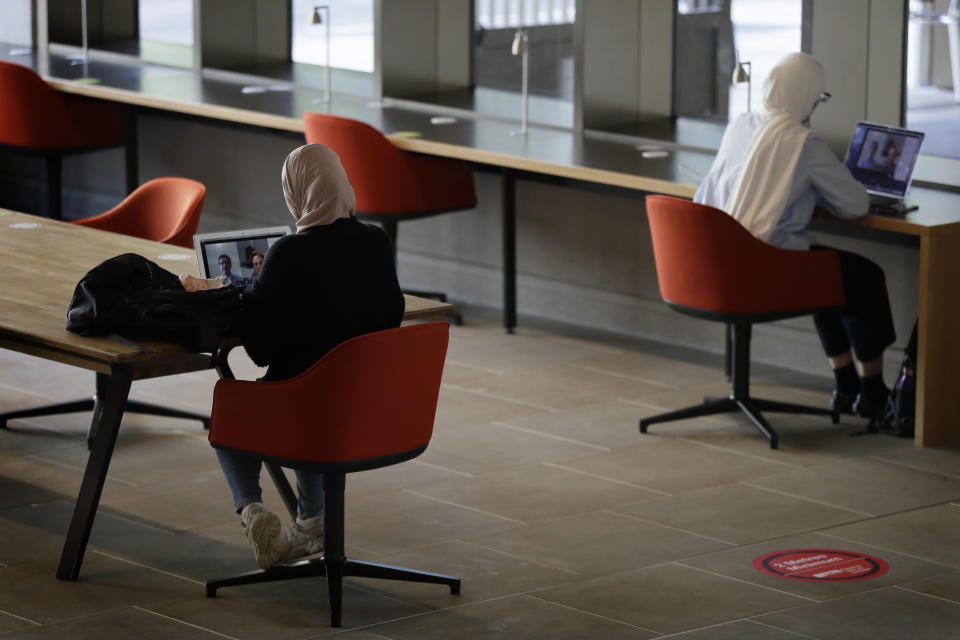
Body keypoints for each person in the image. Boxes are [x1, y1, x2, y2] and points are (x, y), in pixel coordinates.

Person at [216, 144, 404, 569]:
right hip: (372, 408)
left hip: (303, 411)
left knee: (230, 403)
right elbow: (391, 319)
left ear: (297, 190)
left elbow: (261, 353)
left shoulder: (288, 253)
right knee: (316, 383)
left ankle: (252, 510)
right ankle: (312, 521)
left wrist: (250, 300)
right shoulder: (377, 241)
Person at [694, 51, 895, 422]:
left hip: (714, 264)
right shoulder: (803, 143)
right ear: (806, 95)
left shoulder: (740, 125)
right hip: (764, 269)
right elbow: (854, 206)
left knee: (825, 269)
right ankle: (872, 393)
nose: (816, 106)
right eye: (818, 98)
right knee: (863, 277)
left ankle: (845, 385)